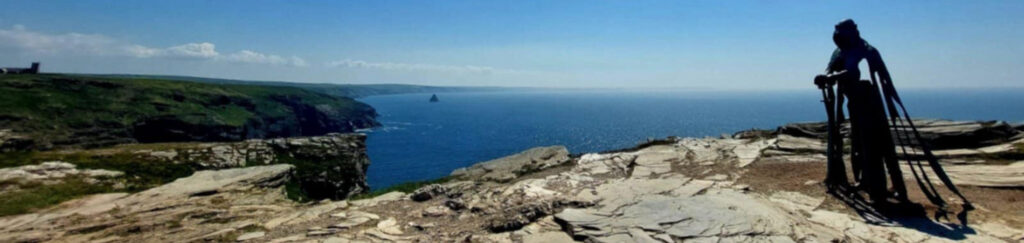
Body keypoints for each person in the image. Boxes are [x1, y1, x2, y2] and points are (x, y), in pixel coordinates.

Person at [814, 19, 908, 203]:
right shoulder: (839, 52)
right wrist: (825, 78)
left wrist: (831, 77)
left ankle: (886, 189)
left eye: (841, 32)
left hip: (871, 105)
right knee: (857, 145)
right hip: (854, 104)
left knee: (879, 147)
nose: (837, 36)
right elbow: (831, 70)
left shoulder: (866, 50)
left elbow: (853, 73)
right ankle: (864, 181)